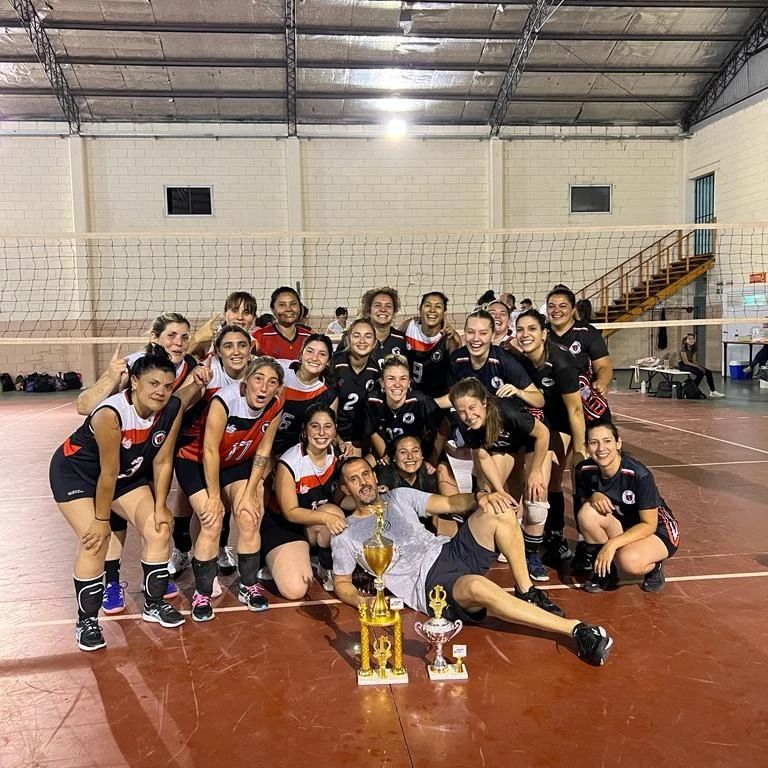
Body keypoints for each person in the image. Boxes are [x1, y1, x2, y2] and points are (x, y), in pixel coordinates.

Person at [331, 458, 614, 666]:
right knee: (478, 587)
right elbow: (341, 582)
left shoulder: (399, 496)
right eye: (354, 479)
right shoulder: (346, 533)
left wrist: (482, 496)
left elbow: (450, 503)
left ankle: (527, 591)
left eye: (365, 474)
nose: (363, 482)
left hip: (450, 550)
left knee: (499, 511)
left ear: (374, 475)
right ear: (345, 488)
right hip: (429, 582)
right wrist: (362, 601)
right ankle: (576, 629)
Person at [49, 352, 202, 651]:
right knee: (96, 541)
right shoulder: (110, 414)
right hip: (77, 475)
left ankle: (154, 603)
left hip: (124, 474)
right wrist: (101, 520)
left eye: (167, 385)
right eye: (153, 383)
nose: (161, 391)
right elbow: (107, 473)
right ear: (134, 382)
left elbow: (163, 461)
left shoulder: (171, 408)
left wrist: (161, 505)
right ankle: (86, 622)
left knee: (159, 527)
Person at [75, 312, 199, 612]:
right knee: (112, 524)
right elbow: (84, 406)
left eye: (185, 337)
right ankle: (111, 583)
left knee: (154, 520)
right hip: (113, 453)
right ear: (155, 338)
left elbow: (178, 404)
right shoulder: (131, 364)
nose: (179, 342)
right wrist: (111, 377)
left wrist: (197, 383)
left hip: (147, 454)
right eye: (171, 336)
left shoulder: (188, 367)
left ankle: (153, 578)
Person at [175, 357, 285, 622]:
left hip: (235, 461)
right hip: (196, 460)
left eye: (272, 382)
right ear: (246, 382)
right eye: (258, 379)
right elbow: (210, 450)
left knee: (249, 515)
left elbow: (264, 450)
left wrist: (249, 492)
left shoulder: (276, 404)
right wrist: (215, 497)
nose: (264, 387)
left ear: (278, 388)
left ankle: (248, 585)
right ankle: (202, 593)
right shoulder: (224, 401)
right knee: (212, 519)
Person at [169, 324, 254, 582]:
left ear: (250, 348)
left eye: (241, 345)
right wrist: (194, 385)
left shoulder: (258, 374)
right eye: (228, 346)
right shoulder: (207, 372)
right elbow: (174, 406)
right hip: (194, 452)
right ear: (217, 351)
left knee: (239, 509)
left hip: (230, 452)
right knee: (207, 512)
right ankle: (192, 559)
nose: (236, 351)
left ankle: (218, 553)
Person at [450, 377, 552, 582]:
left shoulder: (508, 412)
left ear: (484, 402)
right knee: (490, 492)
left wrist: (535, 471)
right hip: (506, 446)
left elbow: (543, 434)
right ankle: (507, 539)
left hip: (533, 441)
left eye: (472, 408)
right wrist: (499, 490)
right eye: (462, 411)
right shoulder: (465, 425)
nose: (468, 415)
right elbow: (482, 457)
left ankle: (531, 554)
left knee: (536, 496)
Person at [546, 287, 614, 571]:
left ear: (573, 309)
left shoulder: (587, 334)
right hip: (556, 414)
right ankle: (555, 535)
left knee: (585, 474)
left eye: (563, 305)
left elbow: (605, 366)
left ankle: (589, 539)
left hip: (586, 411)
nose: (557, 310)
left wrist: (602, 382)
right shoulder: (542, 334)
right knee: (553, 474)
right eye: (552, 305)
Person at [515, 310, 587, 567]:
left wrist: (580, 449)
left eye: (532, 329)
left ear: (544, 333)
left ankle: (553, 541)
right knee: (534, 481)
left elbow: (575, 410)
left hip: (564, 422)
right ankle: (542, 535)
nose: (525, 334)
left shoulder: (561, 362)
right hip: (537, 423)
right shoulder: (521, 360)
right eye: (520, 329)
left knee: (550, 482)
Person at [575, 422, 680, 593]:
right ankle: (605, 572)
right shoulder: (584, 470)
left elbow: (649, 525)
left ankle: (655, 566)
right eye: (594, 442)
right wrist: (594, 496)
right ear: (586, 447)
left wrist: (611, 545)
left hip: (658, 529)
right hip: (624, 523)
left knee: (629, 561)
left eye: (607, 441)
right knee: (587, 513)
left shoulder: (639, 474)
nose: (601, 448)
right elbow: (584, 505)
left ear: (618, 443)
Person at [266, 405, 346, 596]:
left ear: (335, 431)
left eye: (327, 426)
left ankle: (325, 564)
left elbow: (339, 499)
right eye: (315, 426)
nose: (321, 432)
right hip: (285, 525)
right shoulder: (290, 462)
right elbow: (290, 513)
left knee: (334, 512)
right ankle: (272, 557)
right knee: (295, 590)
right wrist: (326, 518)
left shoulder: (338, 456)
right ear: (305, 430)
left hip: (312, 524)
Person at [445, 310, 544, 410]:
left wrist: (519, 392)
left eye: (483, 333)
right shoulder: (456, 359)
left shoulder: (505, 360)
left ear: (492, 336)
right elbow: (452, 398)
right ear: (464, 333)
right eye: (470, 332)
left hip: (503, 415)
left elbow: (540, 400)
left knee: (507, 408)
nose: (475, 339)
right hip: (473, 414)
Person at [365, 355, 444, 464]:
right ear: (382, 382)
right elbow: (372, 430)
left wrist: (432, 460)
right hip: (390, 451)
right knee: (361, 466)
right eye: (391, 378)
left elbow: (445, 426)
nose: (397, 384)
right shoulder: (373, 400)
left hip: (418, 455)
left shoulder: (420, 400)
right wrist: (385, 455)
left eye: (403, 378)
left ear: (409, 383)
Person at [376, 434, 460, 534]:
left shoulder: (429, 475)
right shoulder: (384, 476)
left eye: (415, 451)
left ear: (422, 455)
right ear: (393, 457)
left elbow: (434, 515)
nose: (410, 457)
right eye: (403, 452)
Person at [273, 334, 339, 456]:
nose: (315, 358)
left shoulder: (328, 394)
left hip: (298, 452)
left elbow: (328, 430)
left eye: (322, 354)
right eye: (310, 351)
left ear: (328, 361)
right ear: (301, 354)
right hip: (264, 442)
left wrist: (341, 442)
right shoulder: (279, 372)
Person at [332, 318, 381, 451]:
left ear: (374, 342)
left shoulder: (376, 371)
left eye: (368, 336)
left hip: (359, 436)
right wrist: (336, 438)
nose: (362, 341)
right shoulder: (334, 363)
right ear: (348, 340)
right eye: (357, 335)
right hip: (331, 432)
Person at [402, 291, 461, 398]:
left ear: (444, 313)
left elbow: (457, 371)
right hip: (410, 394)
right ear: (420, 310)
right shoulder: (409, 326)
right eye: (427, 305)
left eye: (438, 306)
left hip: (438, 397)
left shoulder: (450, 338)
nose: (432, 310)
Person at [252, 286, 312, 368]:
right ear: (273, 309)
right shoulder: (259, 337)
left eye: (293, 304)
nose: (288, 309)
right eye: (282, 305)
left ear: (300, 307)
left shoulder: (309, 338)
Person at [188, 291, 258, 358]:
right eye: (234, 311)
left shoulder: (253, 343)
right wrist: (196, 339)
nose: (240, 317)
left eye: (246, 313)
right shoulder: (208, 339)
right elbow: (183, 361)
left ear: (254, 318)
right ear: (225, 314)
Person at [359, 286, 407, 366]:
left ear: (394, 313)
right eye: (377, 305)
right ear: (369, 311)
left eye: (388, 306)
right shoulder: (354, 338)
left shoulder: (401, 340)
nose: (383, 309)